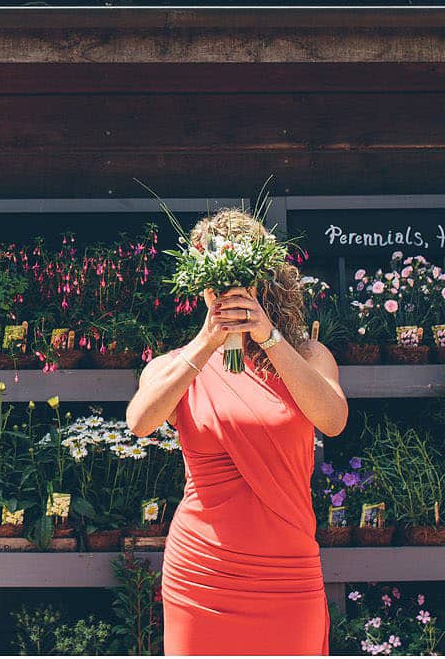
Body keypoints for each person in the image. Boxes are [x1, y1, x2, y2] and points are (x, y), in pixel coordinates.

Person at [126, 209, 347, 656]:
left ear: (262, 280)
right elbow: (140, 423)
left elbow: (333, 419)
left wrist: (268, 336)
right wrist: (207, 341)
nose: (224, 293)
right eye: (214, 283)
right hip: (203, 573)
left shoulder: (307, 354)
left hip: (287, 572)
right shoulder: (176, 364)